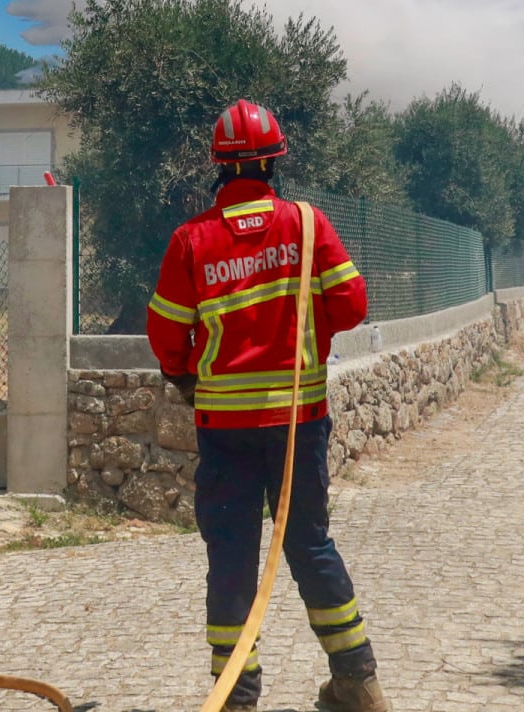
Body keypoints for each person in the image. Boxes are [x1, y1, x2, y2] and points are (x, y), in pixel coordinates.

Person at [147, 98, 389, 712]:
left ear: (218, 168)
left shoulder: (191, 241)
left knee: (231, 553)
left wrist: (187, 377)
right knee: (308, 543)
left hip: (224, 430)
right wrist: (311, 336)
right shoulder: (307, 224)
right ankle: (357, 681)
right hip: (298, 421)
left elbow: (166, 337)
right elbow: (353, 303)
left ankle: (236, 697)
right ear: (275, 161)